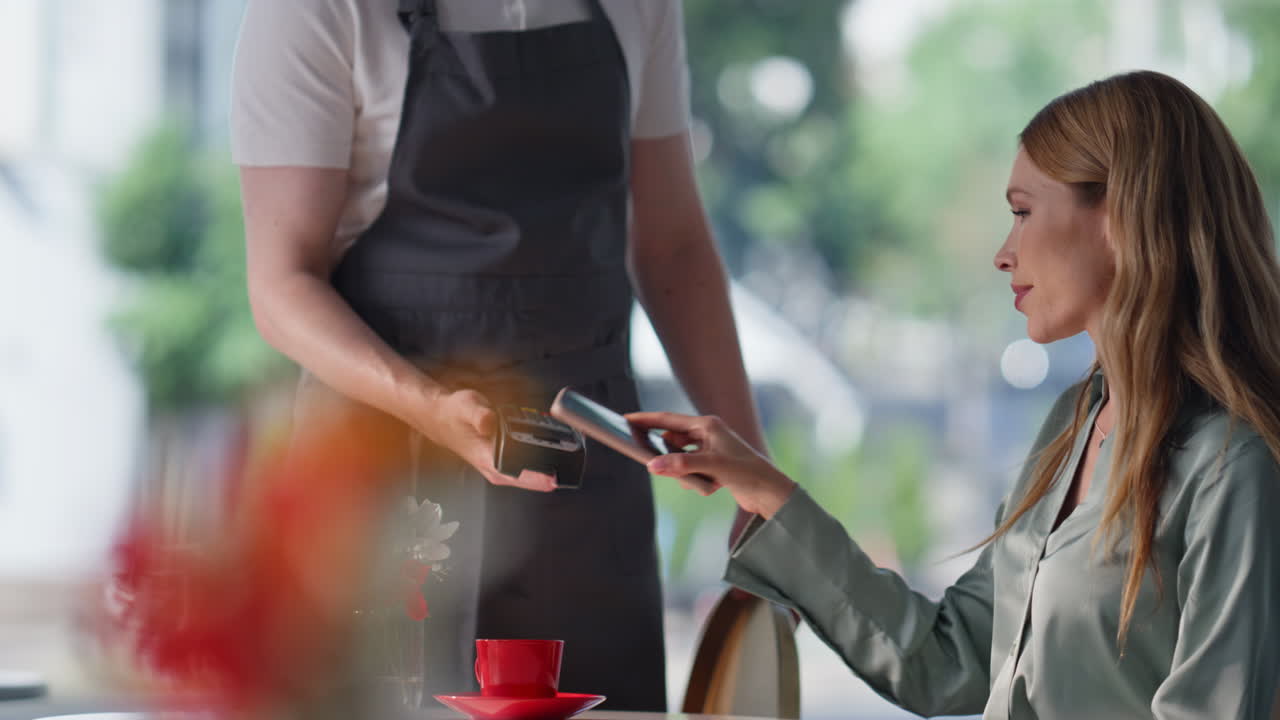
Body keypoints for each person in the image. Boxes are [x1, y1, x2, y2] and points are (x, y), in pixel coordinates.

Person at [635, 70, 1280, 719]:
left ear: (1119, 218)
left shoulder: (1233, 466)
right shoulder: (1075, 423)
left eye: (1023, 212)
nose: (1003, 253)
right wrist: (764, 490)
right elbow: (948, 660)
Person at [230, 0, 767, 710]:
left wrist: (755, 475)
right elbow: (281, 285)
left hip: (585, 483)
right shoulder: (319, 10)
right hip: (384, 473)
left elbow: (674, 248)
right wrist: (427, 405)